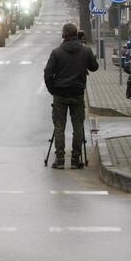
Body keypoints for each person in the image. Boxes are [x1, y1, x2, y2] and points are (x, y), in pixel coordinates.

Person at [44, 23, 99, 169]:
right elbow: (94, 67)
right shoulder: (85, 50)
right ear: (76, 34)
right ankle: (76, 159)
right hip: (77, 92)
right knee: (78, 126)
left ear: (63, 35)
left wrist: (52, 90)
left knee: (59, 127)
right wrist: (86, 48)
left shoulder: (56, 52)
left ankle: (60, 159)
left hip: (60, 93)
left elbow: (48, 73)